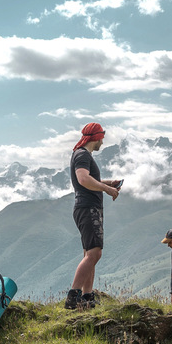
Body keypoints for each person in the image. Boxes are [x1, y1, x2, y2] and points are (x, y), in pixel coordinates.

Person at [66, 122, 121, 310]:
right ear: (96, 137)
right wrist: (107, 189)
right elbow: (83, 179)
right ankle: (73, 296)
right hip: (88, 208)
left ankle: (87, 296)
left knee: (90, 253)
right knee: (95, 253)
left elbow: (87, 180)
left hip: (88, 208)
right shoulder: (82, 154)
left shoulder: (81, 154)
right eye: (102, 138)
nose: (103, 142)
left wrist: (108, 183)